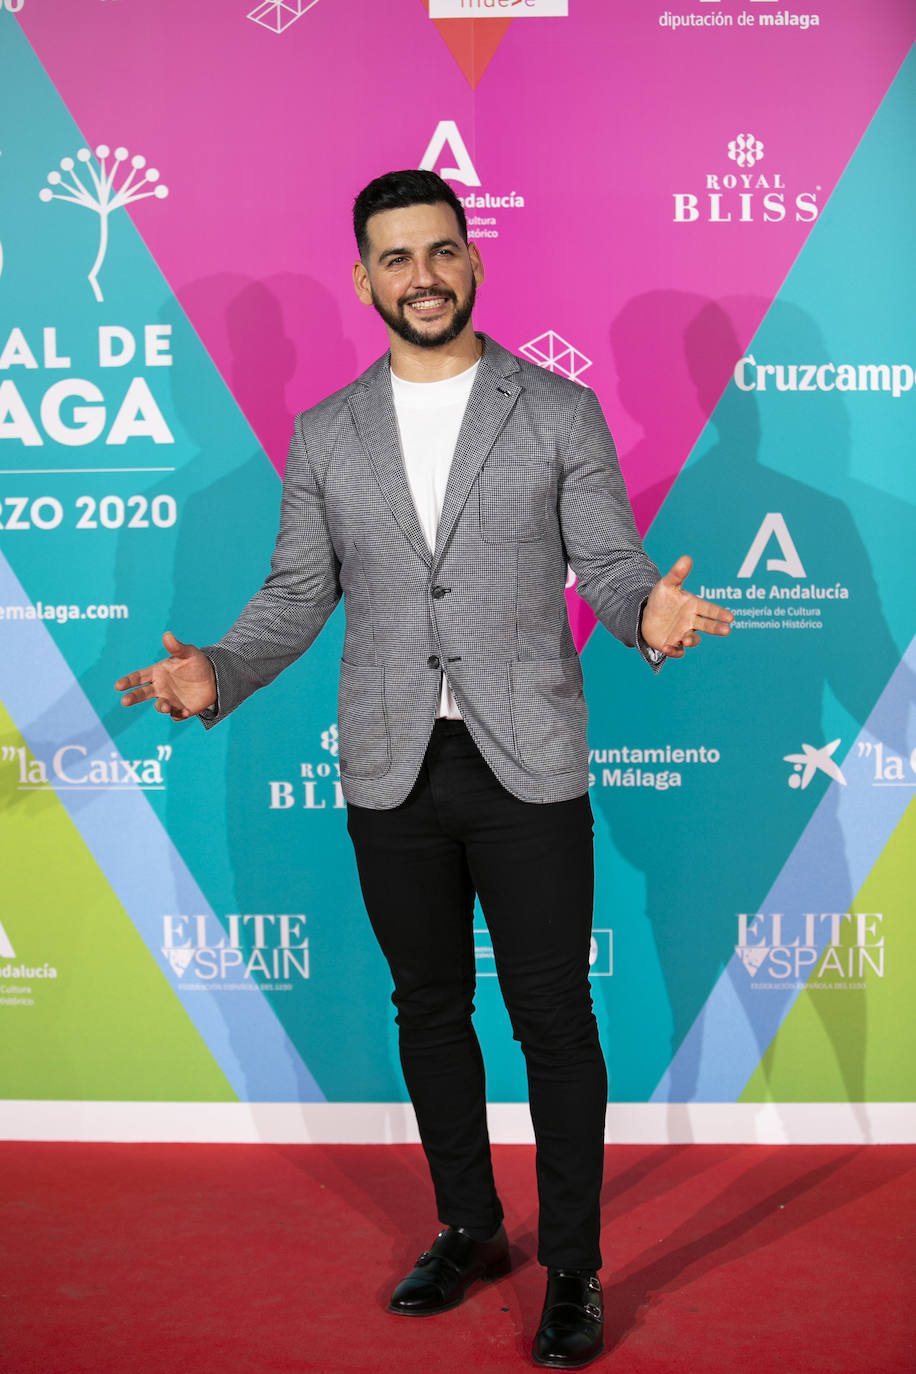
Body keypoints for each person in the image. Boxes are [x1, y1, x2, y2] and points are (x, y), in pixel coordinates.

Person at [116, 169, 733, 1369]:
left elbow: (608, 561)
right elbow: (300, 593)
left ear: (474, 261)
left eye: (440, 252)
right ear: (365, 279)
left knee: (554, 1018)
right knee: (428, 1010)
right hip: (391, 764)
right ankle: (469, 1227)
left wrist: (643, 616)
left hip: (529, 759)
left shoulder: (555, 410)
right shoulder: (325, 434)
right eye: (395, 259)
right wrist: (221, 674)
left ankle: (572, 1271)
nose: (422, 277)